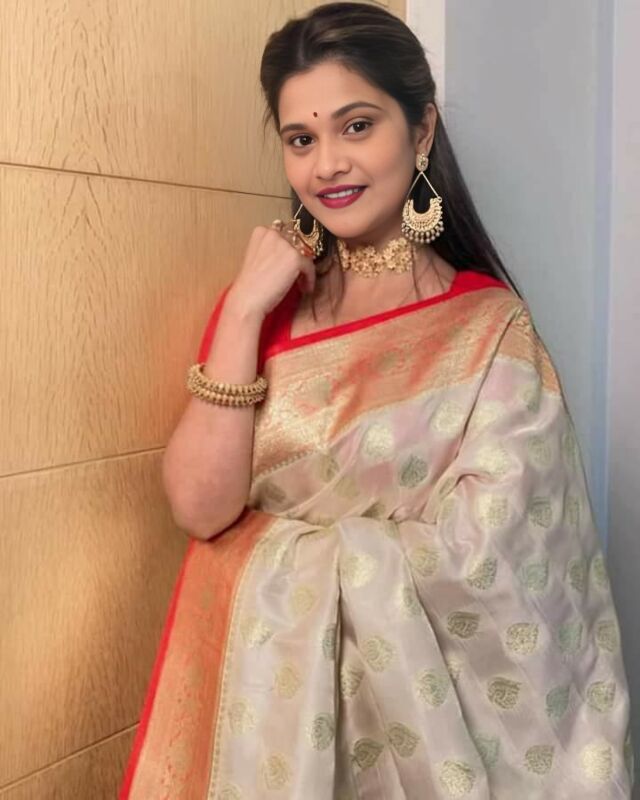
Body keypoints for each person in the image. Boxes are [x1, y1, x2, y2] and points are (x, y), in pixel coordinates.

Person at [119, 4, 633, 798]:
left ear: (420, 132)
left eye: (356, 126)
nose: (328, 164)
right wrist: (246, 310)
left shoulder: (487, 329)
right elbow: (200, 509)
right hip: (283, 739)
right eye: (301, 139)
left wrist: (306, 554)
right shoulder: (262, 312)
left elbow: (506, 562)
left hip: (428, 749)